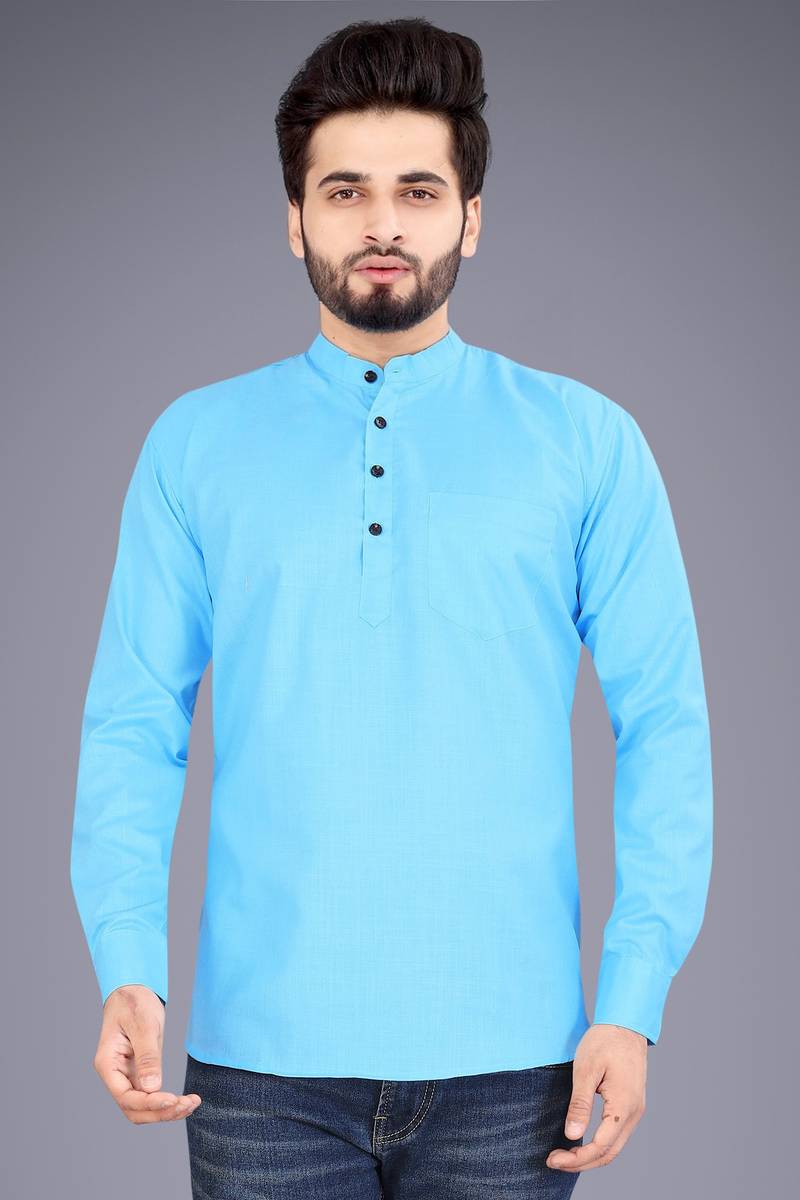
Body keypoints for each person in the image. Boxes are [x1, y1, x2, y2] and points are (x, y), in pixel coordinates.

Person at [70, 16, 713, 1199]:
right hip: (258, 1069)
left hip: (519, 1063)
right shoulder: (195, 443)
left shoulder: (584, 442)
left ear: (470, 217)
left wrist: (631, 1002)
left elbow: (664, 725)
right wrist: (127, 964)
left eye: (417, 191)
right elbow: (133, 723)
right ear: (294, 219)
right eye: (344, 191)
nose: (381, 224)